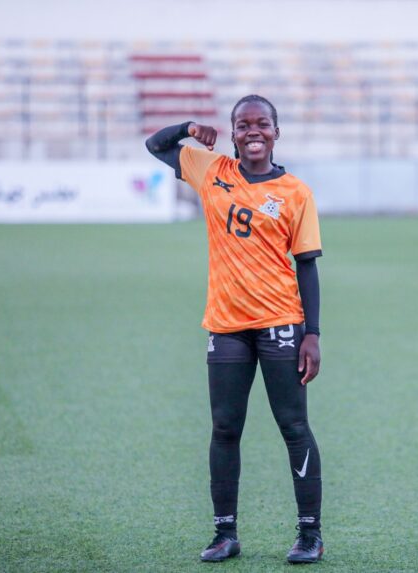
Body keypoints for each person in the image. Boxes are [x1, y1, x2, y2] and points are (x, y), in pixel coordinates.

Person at [145, 95, 324, 564]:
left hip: (281, 323)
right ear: (232, 132)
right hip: (226, 325)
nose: (253, 132)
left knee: (294, 426)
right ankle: (225, 533)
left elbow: (306, 266)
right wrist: (188, 126)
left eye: (262, 124)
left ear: (276, 132)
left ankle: (310, 535)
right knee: (225, 428)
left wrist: (313, 333)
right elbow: (154, 144)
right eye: (243, 125)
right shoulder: (212, 170)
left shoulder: (295, 192)